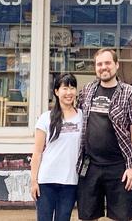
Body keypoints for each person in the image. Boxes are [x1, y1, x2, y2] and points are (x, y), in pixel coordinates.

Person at [77, 48, 132, 221]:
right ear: (95, 67)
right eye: (99, 64)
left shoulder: (130, 93)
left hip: (119, 167)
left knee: (123, 217)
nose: (103, 67)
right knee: (87, 216)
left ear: (116, 65)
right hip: (89, 166)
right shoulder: (86, 91)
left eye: (107, 63)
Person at [31, 74, 82, 221]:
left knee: (63, 218)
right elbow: (37, 152)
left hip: (70, 181)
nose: (69, 92)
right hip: (47, 181)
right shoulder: (45, 118)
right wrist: (34, 181)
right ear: (56, 91)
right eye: (65, 88)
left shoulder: (82, 116)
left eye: (72, 88)